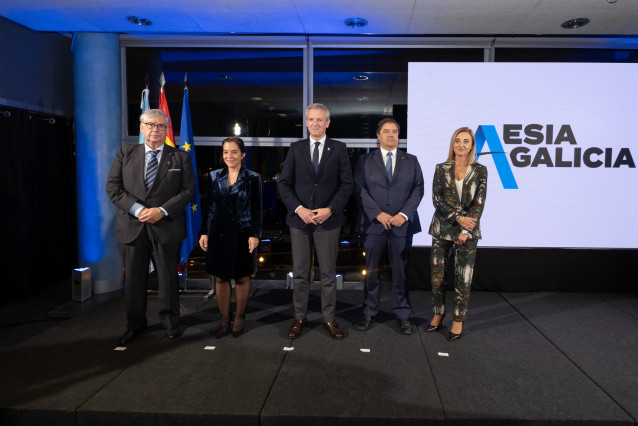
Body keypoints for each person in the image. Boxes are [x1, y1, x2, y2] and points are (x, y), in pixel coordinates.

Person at [106, 109, 196, 345]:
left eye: (161, 126)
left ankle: (170, 324)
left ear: (167, 130)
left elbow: (188, 192)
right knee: (134, 282)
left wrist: (161, 211)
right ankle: (134, 325)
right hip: (133, 227)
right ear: (142, 127)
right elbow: (113, 187)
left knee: (167, 280)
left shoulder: (180, 158)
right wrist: (138, 209)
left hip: (166, 226)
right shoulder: (125, 153)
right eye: (151, 125)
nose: (156, 130)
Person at [277, 103, 353, 340]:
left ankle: (329, 319)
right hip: (300, 221)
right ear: (306, 122)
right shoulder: (296, 148)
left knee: (328, 274)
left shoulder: (339, 149)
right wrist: (299, 209)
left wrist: (330, 209)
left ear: (327, 123)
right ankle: (300, 318)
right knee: (300, 273)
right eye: (311, 119)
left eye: (320, 120)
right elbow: (284, 183)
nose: (315, 124)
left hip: (328, 221)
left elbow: (347, 184)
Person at [353, 118, 424, 335]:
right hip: (374, 225)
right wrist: (378, 213)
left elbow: (418, 189)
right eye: (386, 131)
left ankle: (403, 314)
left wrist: (403, 214)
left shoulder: (411, 160)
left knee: (400, 271)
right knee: (371, 271)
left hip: (402, 226)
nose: (391, 135)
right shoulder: (365, 160)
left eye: (395, 131)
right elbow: (359, 189)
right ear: (378, 135)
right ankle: (369, 311)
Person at [427, 127, 487, 341]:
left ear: (472, 145)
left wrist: (464, 228)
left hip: (467, 232)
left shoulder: (481, 171)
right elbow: (437, 200)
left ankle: (458, 321)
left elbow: (478, 204)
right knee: (437, 277)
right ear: (453, 144)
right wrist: (458, 219)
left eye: (466, 141)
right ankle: (438, 314)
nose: (461, 145)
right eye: (457, 141)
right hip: (442, 228)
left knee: (463, 279)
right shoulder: (440, 168)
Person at [198, 137, 262, 338]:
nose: (229, 156)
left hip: (243, 233)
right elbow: (209, 207)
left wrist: (255, 234)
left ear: (243, 154)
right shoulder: (214, 176)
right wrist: (205, 232)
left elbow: (257, 209)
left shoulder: (253, 177)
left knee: (242, 276)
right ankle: (224, 317)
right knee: (220, 276)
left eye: (234, 152)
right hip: (218, 233)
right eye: (226, 152)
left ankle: (240, 316)